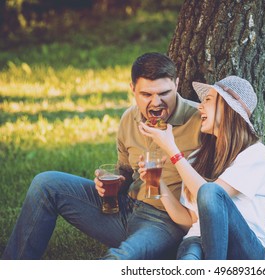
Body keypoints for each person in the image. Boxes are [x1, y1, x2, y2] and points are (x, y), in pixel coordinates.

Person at [2, 52, 202, 260]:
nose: (156, 102)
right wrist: (114, 180)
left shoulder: (200, 122)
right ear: (132, 89)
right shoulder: (129, 118)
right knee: (45, 183)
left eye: (164, 93)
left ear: (177, 84)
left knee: (119, 258)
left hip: (165, 221)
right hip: (125, 208)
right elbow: (124, 169)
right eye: (146, 95)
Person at [138, 75, 265, 260]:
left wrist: (172, 149)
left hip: (244, 248)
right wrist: (156, 182)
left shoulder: (257, 155)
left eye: (208, 100)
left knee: (210, 191)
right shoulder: (198, 157)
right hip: (197, 241)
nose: (200, 106)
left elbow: (210, 197)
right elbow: (188, 220)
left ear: (228, 109)